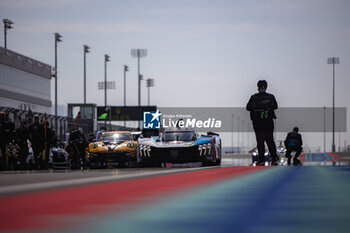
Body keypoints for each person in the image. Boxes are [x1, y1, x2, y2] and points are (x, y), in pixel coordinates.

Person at [246, 80, 278, 165]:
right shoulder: (271, 97)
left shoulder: (254, 97)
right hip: (268, 121)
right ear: (266, 87)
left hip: (258, 122)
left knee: (260, 141)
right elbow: (275, 106)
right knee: (270, 140)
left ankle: (261, 160)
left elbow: (248, 107)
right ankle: (274, 159)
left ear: (258, 87)